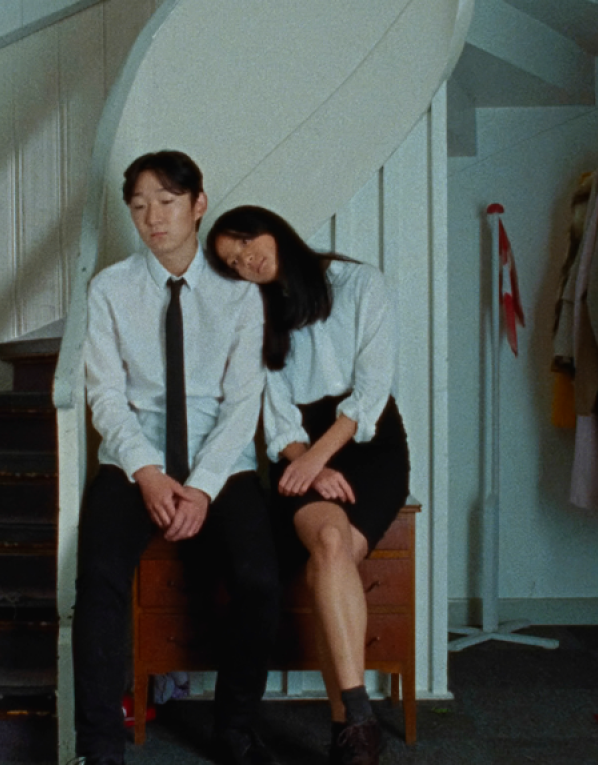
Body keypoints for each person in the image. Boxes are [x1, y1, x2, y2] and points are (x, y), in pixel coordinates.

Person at [73, 153, 281, 765]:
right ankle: (98, 744)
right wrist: (147, 472)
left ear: (198, 205)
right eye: (139, 206)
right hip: (134, 459)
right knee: (99, 578)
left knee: (259, 579)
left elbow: (243, 403)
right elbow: (105, 396)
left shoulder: (240, 293)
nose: (152, 218)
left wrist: (202, 487)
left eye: (166, 202)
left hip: (221, 462)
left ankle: (234, 728)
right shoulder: (109, 289)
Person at [207, 206, 410, 765]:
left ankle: (349, 728)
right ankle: (358, 719)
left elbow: (373, 388)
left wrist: (323, 457)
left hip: (369, 442)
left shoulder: (361, 283)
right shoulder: (253, 312)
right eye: (232, 261)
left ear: (272, 229)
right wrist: (310, 464)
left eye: (245, 242)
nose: (245, 261)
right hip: (298, 449)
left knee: (331, 558)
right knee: (329, 541)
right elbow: (276, 418)